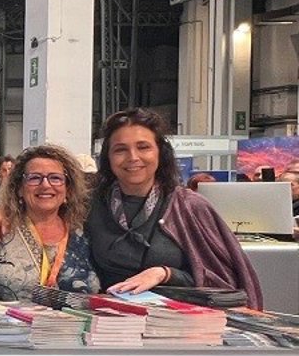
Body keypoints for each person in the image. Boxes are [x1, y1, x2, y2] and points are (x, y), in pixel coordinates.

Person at [85, 107, 262, 307]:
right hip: (107, 316)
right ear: (107, 157)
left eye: (143, 147)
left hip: (179, 319)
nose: (133, 157)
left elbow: (225, 283)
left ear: (161, 152)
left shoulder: (190, 207)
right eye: (120, 149)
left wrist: (165, 274)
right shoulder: (91, 206)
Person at [0, 144, 99, 301]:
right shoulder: (0, 230)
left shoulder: (86, 232)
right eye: (34, 178)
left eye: (55, 178)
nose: (45, 185)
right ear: (19, 188)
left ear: (68, 189)